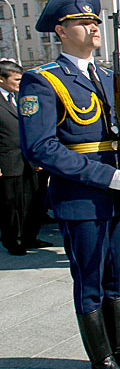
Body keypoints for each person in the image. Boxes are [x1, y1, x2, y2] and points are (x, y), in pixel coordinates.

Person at [19, 0, 120, 369]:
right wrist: (108, 175)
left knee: (118, 274)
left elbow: (116, 135)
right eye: (82, 21)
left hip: (117, 194)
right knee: (91, 280)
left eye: (95, 21)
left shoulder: (108, 76)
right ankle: (101, 360)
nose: (93, 28)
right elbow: (41, 149)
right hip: (80, 197)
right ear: (60, 30)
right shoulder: (42, 81)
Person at [0, 60, 49, 255]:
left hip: (28, 160)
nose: (20, 83)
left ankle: (30, 236)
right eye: (16, 79)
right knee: (12, 204)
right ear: (1, 79)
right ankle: (12, 241)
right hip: (7, 162)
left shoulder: (22, 98)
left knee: (33, 200)